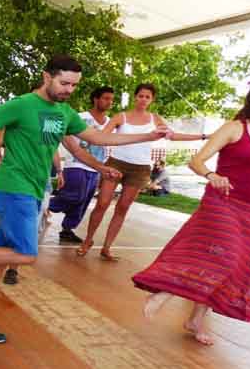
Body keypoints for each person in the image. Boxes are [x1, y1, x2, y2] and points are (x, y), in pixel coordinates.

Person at [0, 55, 169, 343]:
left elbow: (96, 140)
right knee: (26, 253)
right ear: (46, 76)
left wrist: (145, 137)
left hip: (35, 189)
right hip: (14, 188)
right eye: (64, 83)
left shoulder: (64, 113)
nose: (68, 89)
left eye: (74, 85)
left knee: (1, 255)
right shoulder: (22, 104)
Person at [135, 75, 250, 345]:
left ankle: (196, 319)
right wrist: (211, 175)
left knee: (234, 265)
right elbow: (196, 160)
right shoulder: (235, 128)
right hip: (224, 201)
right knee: (225, 256)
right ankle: (163, 293)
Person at [78, 83, 207, 260]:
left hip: (140, 169)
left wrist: (203, 136)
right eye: (140, 96)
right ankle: (88, 240)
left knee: (122, 208)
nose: (143, 99)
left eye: (147, 97)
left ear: (151, 100)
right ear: (135, 97)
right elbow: (103, 136)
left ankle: (106, 247)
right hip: (116, 163)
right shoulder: (121, 117)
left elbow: (173, 136)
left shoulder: (156, 119)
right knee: (102, 203)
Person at [49, 86, 115, 243]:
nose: (109, 102)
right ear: (96, 99)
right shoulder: (80, 117)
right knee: (74, 196)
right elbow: (67, 139)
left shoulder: (110, 123)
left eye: (111, 99)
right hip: (77, 164)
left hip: (96, 167)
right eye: (106, 98)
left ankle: (67, 230)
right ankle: (45, 205)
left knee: (84, 201)